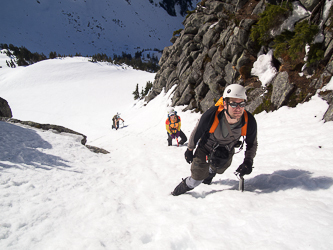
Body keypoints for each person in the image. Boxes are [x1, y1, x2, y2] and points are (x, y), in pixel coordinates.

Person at [171, 84, 258, 196]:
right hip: (205, 148)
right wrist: (190, 149)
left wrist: (248, 161)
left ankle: (210, 173)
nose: (238, 108)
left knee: (219, 168)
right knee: (197, 179)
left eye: (242, 104)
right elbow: (197, 132)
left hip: (227, 150)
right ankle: (180, 189)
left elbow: (252, 143)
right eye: (233, 104)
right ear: (225, 104)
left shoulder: (249, 121)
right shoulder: (212, 115)